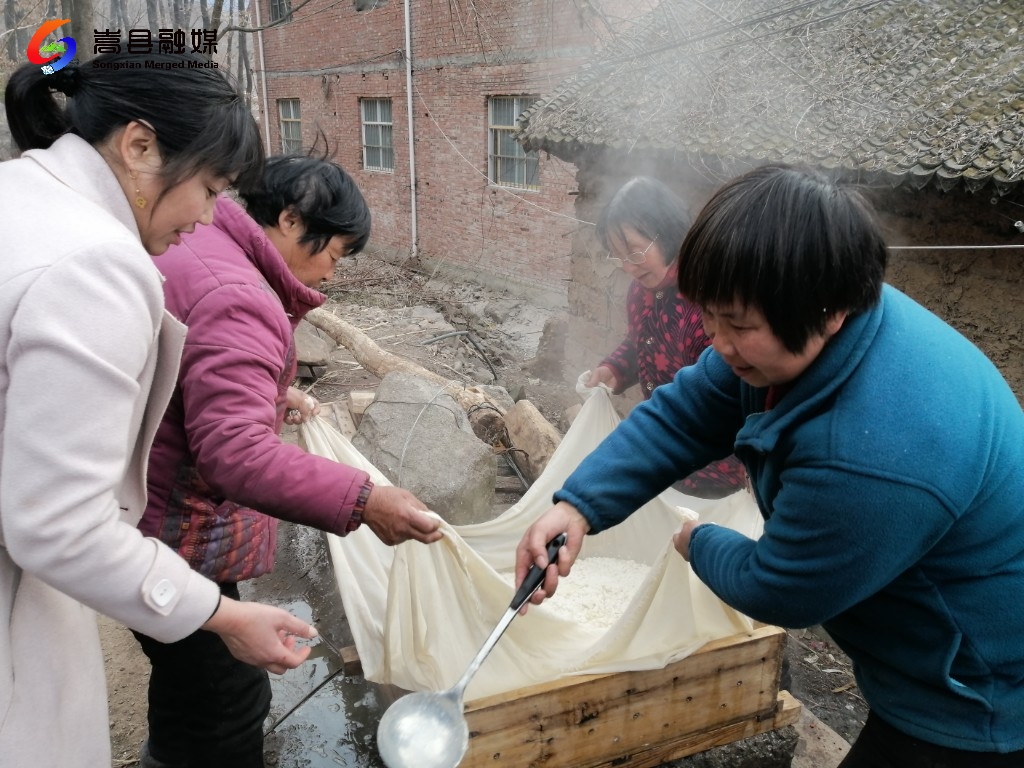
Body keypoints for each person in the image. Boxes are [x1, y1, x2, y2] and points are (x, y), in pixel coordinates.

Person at [516, 165, 1024, 766]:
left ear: (828, 310)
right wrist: (580, 503)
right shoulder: (811, 313)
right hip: (918, 658)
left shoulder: (871, 451)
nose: (718, 343)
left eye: (739, 327)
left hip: (976, 693)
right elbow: (686, 409)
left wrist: (695, 539)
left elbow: (781, 588)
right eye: (708, 317)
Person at [0, 53, 319, 768]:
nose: (207, 217)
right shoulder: (95, 265)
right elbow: (58, 526)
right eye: (208, 188)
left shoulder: (18, 193)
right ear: (139, 145)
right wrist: (224, 615)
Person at [135, 153, 444, 768]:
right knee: (227, 700)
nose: (333, 272)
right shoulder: (239, 295)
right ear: (289, 219)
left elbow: (196, 380)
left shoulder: (202, 247)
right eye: (335, 253)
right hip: (175, 531)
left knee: (189, 684)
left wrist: (277, 393)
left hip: (147, 515)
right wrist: (365, 498)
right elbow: (234, 452)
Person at [586, 177, 745, 498]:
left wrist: (648, 442)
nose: (629, 266)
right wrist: (614, 370)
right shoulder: (641, 292)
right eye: (618, 255)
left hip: (720, 471)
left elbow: (724, 394)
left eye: (635, 251)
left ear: (667, 232)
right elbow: (640, 343)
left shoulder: (709, 293)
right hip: (667, 453)